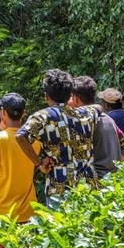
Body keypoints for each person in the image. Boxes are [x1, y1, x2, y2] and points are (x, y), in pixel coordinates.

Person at [16, 69, 100, 207]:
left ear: (46, 96)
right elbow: (98, 107)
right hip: (88, 186)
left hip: (59, 187)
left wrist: (39, 163)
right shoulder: (87, 113)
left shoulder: (43, 116)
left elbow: (20, 136)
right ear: (70, 95)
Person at [0, 93, 41, 223]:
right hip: (30, 211)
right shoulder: (34, 140)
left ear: (2, 112)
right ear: (23, 113)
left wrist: (4, 177)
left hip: (6, 213)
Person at [71, 76, 124, 178]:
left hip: (94, 180)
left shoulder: (82, 122)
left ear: (75, 99)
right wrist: (112, 164)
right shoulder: (108, 119)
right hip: (113, 179)